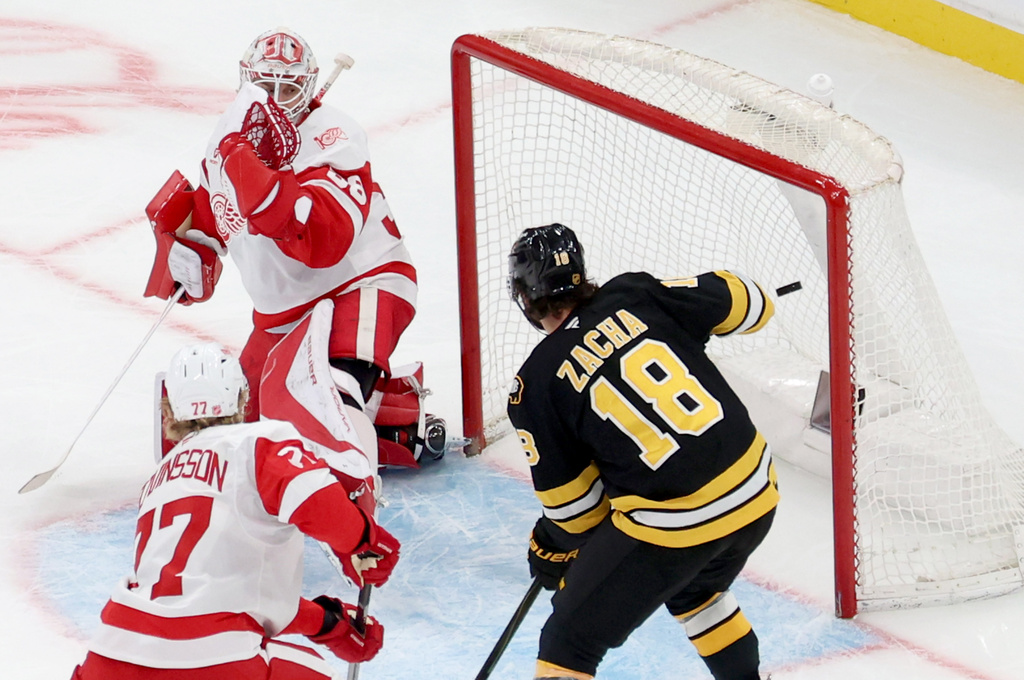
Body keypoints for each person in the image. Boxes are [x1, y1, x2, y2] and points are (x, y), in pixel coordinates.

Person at [505, 224, 780, 680]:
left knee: (569, 641)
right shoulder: (635, 293)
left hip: (678, 520)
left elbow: (578, 515)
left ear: (526, 298)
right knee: (696, 591)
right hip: (756, 489)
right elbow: (753, 302)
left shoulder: (535, 384)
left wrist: (551, 545)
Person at [143, 27, 426, 467]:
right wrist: (187, 247)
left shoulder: (334, 137)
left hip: (362, 285)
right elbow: (213, 212)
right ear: (244, 81)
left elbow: (320, 241)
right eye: (263, 86)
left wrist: (245, 164)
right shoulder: (230, 134)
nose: (274, 99)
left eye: (287, 87)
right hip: (281, 314)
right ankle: (395, 416)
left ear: (308, 85)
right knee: (233, 432)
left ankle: (358, 486)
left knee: (330, 404)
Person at [69, 342, 401, 680]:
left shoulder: (157, 482)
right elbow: (317, 505)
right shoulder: (257, 442)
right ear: (242, 399)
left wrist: (326, 622)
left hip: (108, 658)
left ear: (167, 412)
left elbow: (207, 598)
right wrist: (365, 539)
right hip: (213, 661)